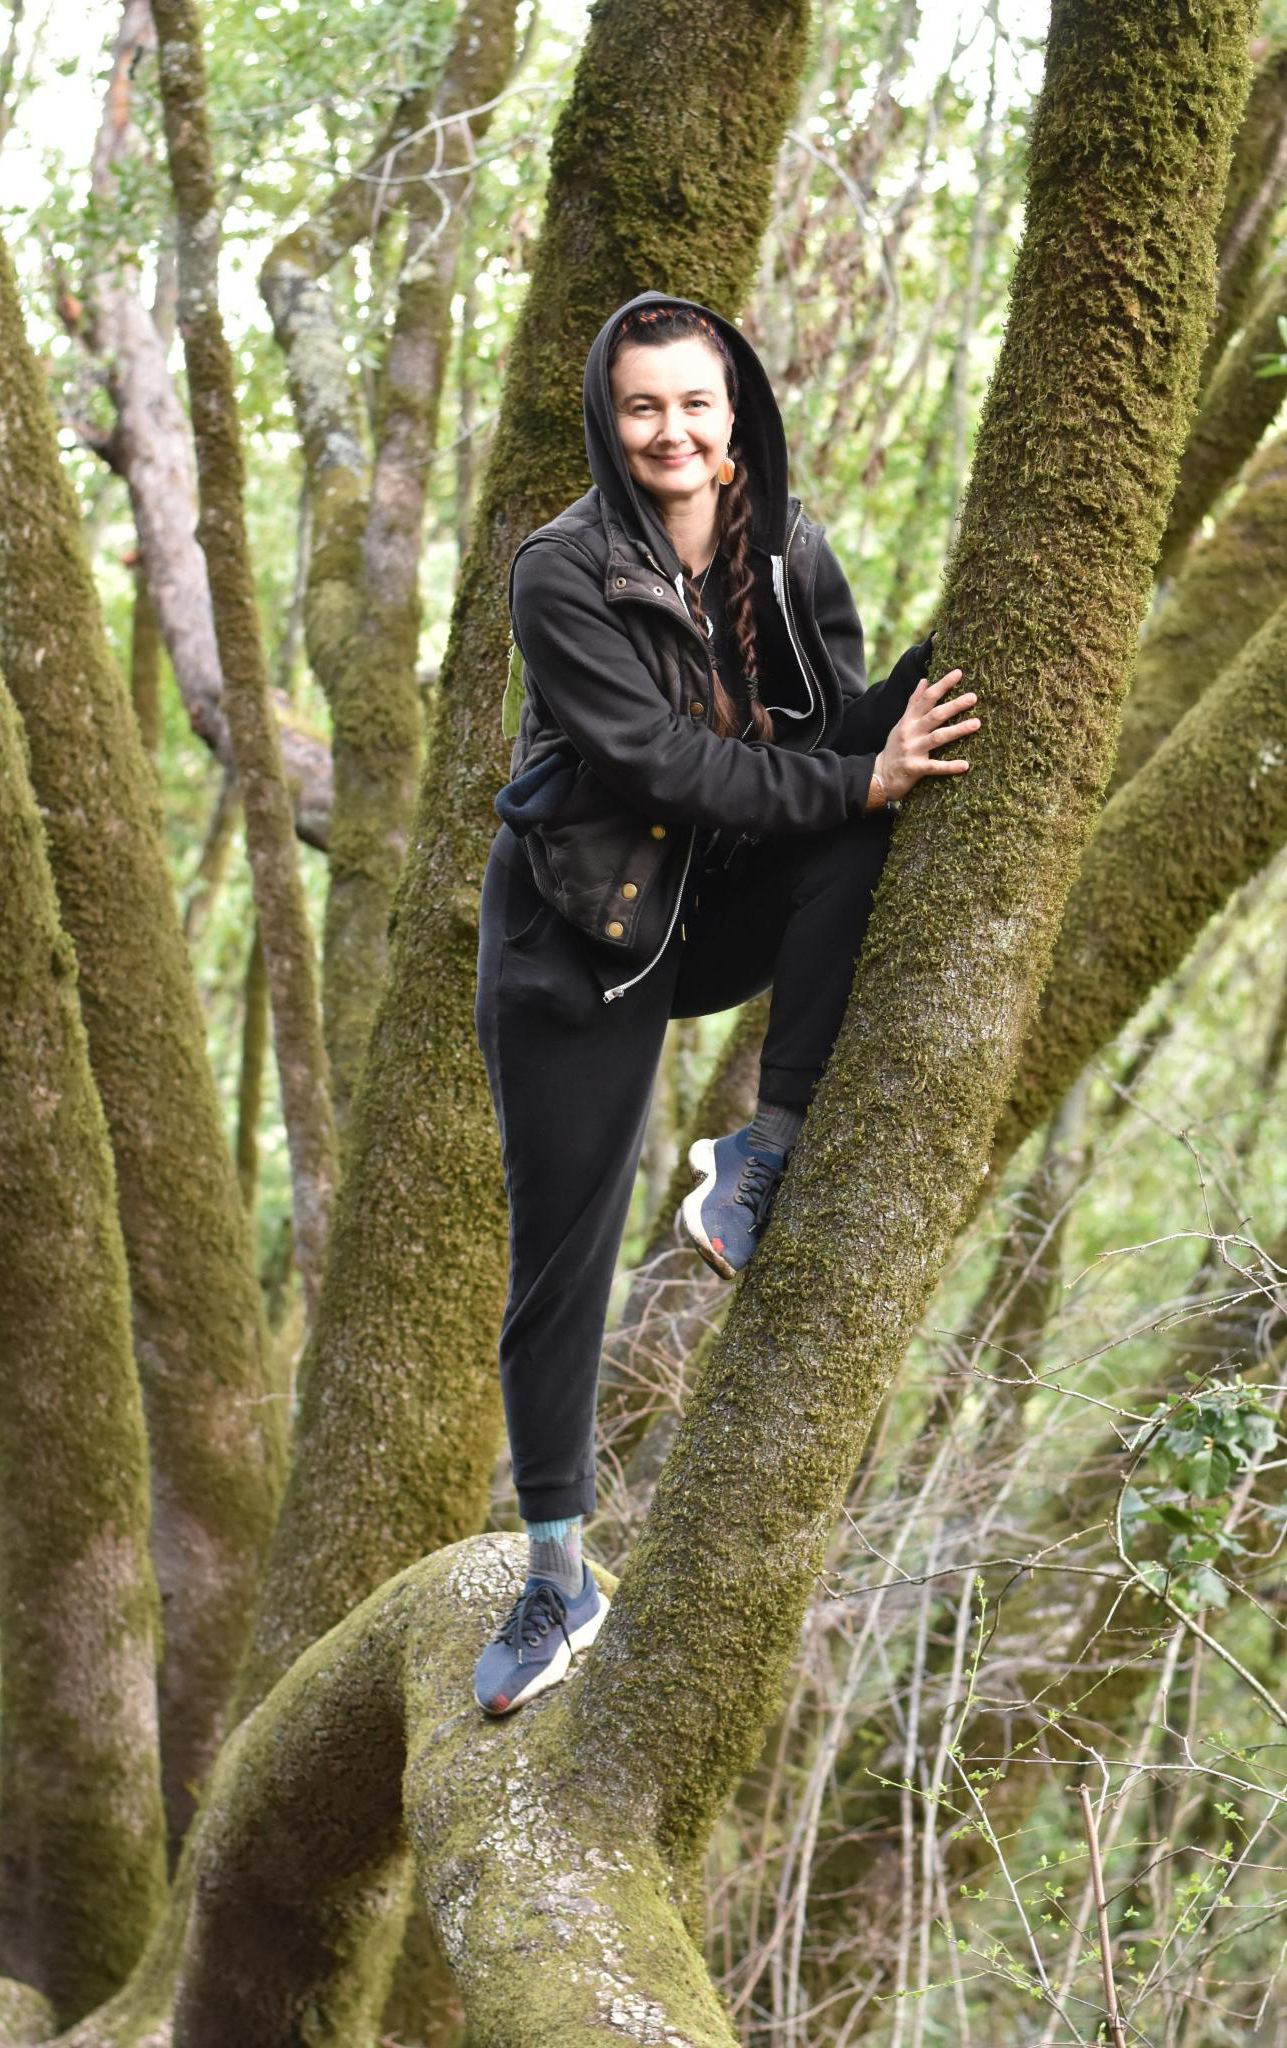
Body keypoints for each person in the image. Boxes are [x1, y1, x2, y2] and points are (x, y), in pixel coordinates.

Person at [472, 290, 979, 1715]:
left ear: (735, 405)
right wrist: (851, 775)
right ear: (607, 418)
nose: (671, 431)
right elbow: (656, 767)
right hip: (578, 937)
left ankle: (759, 1153)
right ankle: (556, 1570)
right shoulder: (559, 574)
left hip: (712, 909)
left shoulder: (789, 555)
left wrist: (938, 681)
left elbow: (826, 748)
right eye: (642, 406)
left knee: (872, 815)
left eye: (695, 402)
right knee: (558, 1258)